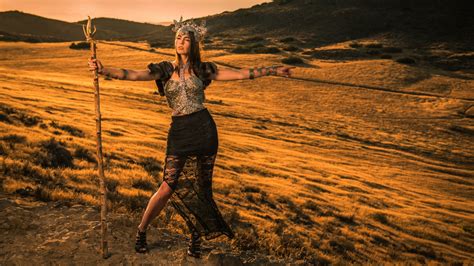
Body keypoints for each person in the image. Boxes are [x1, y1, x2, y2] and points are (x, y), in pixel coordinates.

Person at [88, 16, 294, 258]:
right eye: (178, 38)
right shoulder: (164, 69)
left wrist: (274, 70)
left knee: (202, 188)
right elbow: (131, 74)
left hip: (204, 130)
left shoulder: (203, 69)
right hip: (180, 132)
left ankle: (194, 239)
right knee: (167, 186)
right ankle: (142, 230)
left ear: (194, 44)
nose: (181, 42)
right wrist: (103, 70)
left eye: (186, 39)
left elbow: (241, 74)